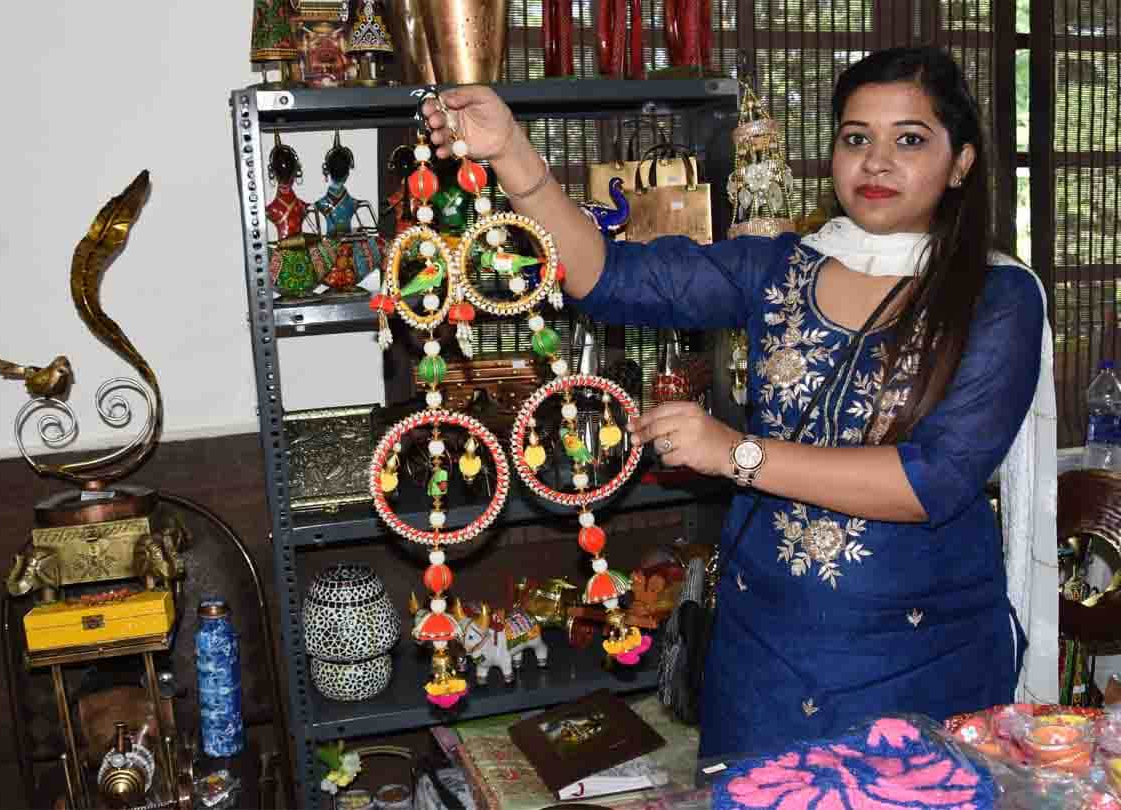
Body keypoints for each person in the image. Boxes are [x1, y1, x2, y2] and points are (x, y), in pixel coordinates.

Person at [423, 44, 1056, 759]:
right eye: (856, 139)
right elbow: (606, 278)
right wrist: (512, 154)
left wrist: (736, 454)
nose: (876, 163)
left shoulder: (996, 297)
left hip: (920, 665)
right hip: (763, 656)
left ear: (961, 162)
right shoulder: (778, 266)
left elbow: (934, 479)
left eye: (909, 140)